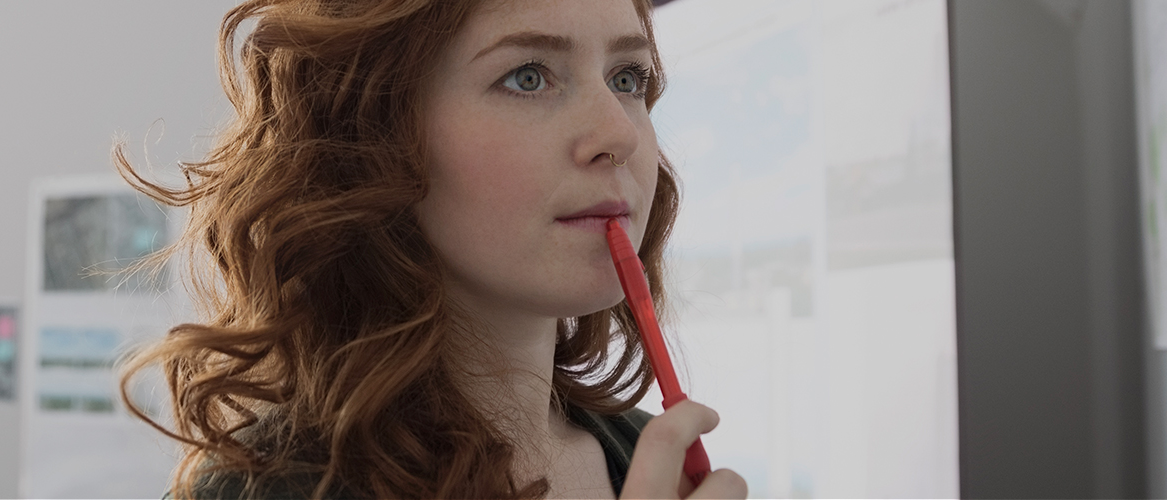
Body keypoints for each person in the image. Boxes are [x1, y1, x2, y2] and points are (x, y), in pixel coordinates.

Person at [117, 0, 747, 498]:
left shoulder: (646, 454)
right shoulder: (265, 492)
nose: (619, 133)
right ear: (373, 138)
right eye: (528, 77)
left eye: (627, 78)